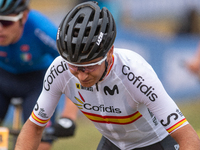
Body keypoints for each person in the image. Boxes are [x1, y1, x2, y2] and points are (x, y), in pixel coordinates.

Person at [15, 1, 200, 150]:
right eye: (74, 66)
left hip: (156, 142)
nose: (81, 76)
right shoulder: (59, 69)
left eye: (89, 66)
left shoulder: (134, 73)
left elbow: (189, 138)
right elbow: (34, 126)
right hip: (114, 143)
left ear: (110, 52)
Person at [0, 0, 77, 150]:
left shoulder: (42, 30)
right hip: (3, 78)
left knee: (41, 140)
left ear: (23, 17)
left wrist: (69, 115)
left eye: (6, 22)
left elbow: (73, 67)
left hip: (37, 82)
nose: (0, 29)